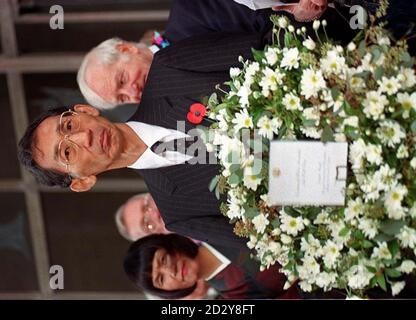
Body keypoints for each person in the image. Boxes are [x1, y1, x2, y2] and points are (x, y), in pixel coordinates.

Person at [77, 0, 281, 109]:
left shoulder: (191, 11)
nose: (133, 92)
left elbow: (272, 15)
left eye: (122, 80)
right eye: (122, 99)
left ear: (127, 49)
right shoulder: (175, 115)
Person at [123, 233, 300, 299]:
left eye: (163, 260)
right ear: (168, 292)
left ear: (171, 245)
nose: (172, 271)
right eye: (161, 279)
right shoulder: (237, 298)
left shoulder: (217, 227)